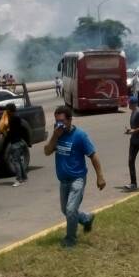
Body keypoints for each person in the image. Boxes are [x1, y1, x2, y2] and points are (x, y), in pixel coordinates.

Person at [43, 105, 106, 248]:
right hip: (63, 180)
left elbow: (93, 155)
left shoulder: (80, 136)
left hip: (77, 178)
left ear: (70, 120)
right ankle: (86, 219)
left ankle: (70, 240)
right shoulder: (57, 135)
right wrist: (55, 135)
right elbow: (47, 151)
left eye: (62, 121)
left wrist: (100, 177)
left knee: (71, 209)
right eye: (56, 121)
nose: (59, 124)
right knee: (65, 210)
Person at [0, 103, 31, 187]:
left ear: (10, 111)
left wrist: (4, 134)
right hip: (21, 142)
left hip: (15, 143)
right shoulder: (17, 118)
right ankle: (24, 177)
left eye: (7, 110)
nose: (6, 112)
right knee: (19, 161)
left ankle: (19, 179)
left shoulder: (12, 119)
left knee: (16, 162)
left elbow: (11, 133)